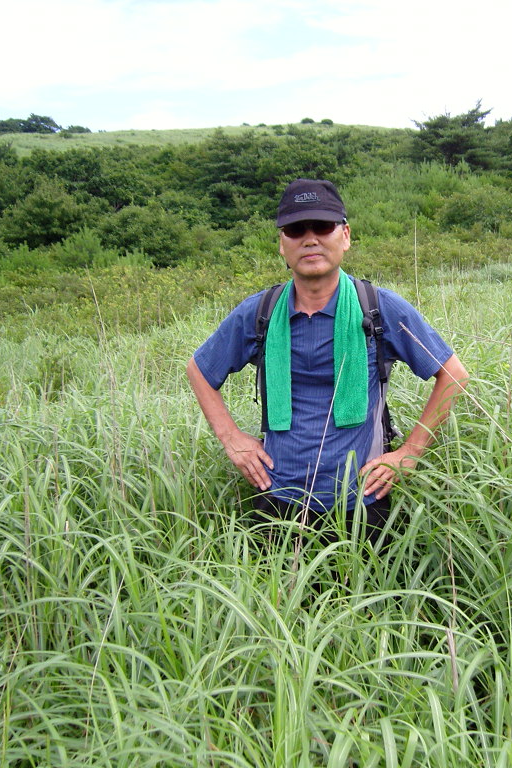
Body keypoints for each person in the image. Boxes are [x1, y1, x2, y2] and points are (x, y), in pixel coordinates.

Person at [186, 178, 468, 543]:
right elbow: (200, 369)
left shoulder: (379, 308)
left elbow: (454, 375)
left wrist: (409, 453)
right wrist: (231, 438)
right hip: (278, 498)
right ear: (282, 245)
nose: (310, 238)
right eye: (295, 229)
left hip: (362, 502)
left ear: (345, 236)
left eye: (322, 226)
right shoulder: (260, 313)